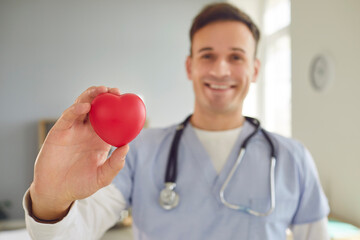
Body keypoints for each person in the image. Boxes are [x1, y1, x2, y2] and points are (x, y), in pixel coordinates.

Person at [23, 3, 330, 240]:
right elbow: (69, 234)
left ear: (255, 69)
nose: (221, 70)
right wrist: (51, 199)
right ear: (189, 66)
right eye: (207, 55)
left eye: (236, 57)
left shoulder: (293, 158)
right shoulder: (138, 152)